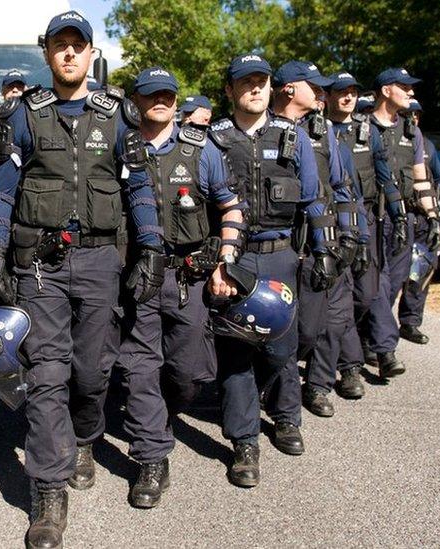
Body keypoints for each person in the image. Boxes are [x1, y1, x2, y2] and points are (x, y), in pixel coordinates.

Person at [0, 11, 161, 547]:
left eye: (77, 46)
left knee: (90, 372)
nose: (68, 55)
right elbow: (1, 191)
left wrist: (149, 246)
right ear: (48, 54)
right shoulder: (24, 115)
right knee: (48, 373)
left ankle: (86, 435)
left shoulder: (118, 115)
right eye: (59, 46)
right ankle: (48, 495)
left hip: (102, 260)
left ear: (90, 53)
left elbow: (139, 188)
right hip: (40, 263)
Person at [207, 53, 336, 487]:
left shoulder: (294, 138)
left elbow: (315, 200)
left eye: (262, 81)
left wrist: (323, 250)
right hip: (236, 258)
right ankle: (244, 441)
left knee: (285, 344)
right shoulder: (213, 139)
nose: (256, 88)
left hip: (283, 254)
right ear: (230, 91)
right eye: (246, 82)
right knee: (237, 350)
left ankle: (286, 417)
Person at [119, 67, 245, 508]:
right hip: (133, 278)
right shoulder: (121, 146)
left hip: (185, 279)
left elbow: (230, 207)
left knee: (189, 372)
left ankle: (163, 414)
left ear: (176, 100)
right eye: (151, 94)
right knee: (139, 367)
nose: (161, 101)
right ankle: (152, 457)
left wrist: (225, 262)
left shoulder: (200, 150)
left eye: (168, 95)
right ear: (136, 99)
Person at [267, 61, 357, 418]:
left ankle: (315, 385)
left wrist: (350, 235)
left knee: (314, 330)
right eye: (315, 87)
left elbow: (340, 184)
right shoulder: (259, 127)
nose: (322, 95)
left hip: (318, 244)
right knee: (280, 333)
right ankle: (281, 405)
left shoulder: (323, 132)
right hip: (276, 247)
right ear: (289, 89)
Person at [326, 71, 403, 398]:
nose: (348, 97)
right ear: (328, 95)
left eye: (353, 92)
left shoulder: (367, 131)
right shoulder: (317, 131)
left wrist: (399, 215)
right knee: (338, 298)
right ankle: (349, 369)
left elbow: (385, 176)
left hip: (366, 219)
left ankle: (349, 345)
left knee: (367, 293)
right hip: (330, 222)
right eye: (341, 92)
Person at [364, 68, 440, 377]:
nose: (411, 92)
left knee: (394, 283)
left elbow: (421, 177)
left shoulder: (412, 131)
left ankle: (368, 339)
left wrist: (432, 216)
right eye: (404, 87)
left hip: (404, 219)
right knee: (377, 283)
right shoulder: (363, 128)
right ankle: (386, 350)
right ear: (385, 90)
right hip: (372, 217)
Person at [397, 100, 440, 344]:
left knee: (421, 271)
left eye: (416, 114)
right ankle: (372, 336)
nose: (413, 118)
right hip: (398, 218)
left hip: (425, 219)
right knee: (390, 278)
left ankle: (410, 322)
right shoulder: (392, 141)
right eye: (408, 113)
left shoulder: (427, 145)